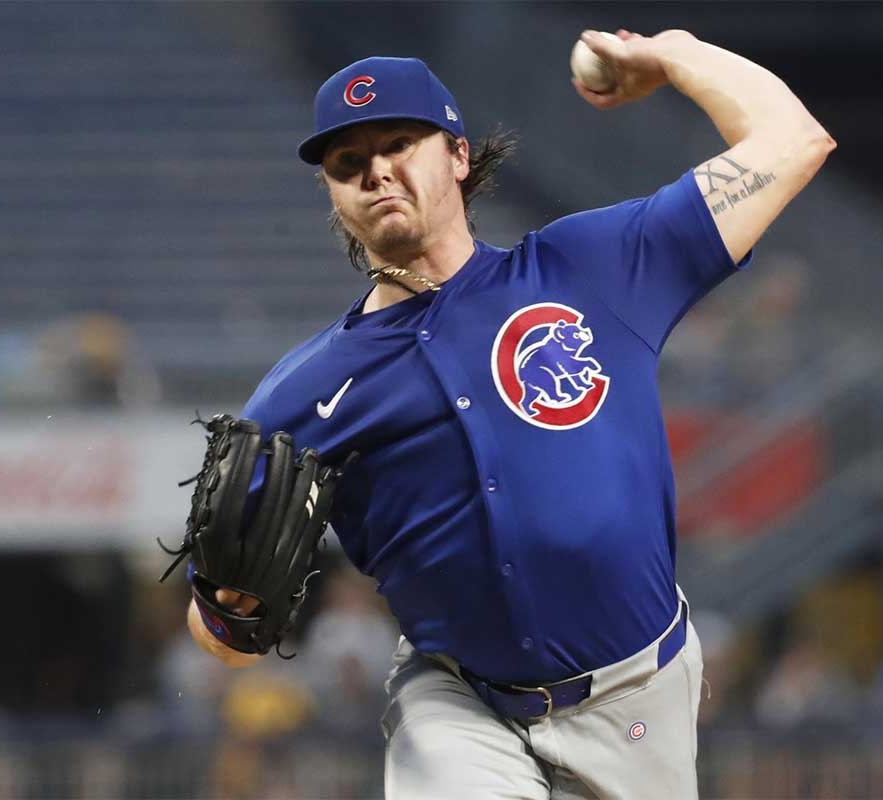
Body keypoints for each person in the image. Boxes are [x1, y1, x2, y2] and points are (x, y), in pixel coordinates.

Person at [185, 28, 835, 799]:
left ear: (458, 156)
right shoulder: (301, 393)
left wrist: (669, 54)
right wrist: (225, 613)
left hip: (637, 699)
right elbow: (223, 636)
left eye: (398, 141)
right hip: (456, 702)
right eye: (346, 163)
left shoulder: (591, 268)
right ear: (333, 194)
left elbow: (791, 141)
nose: (376, 170)